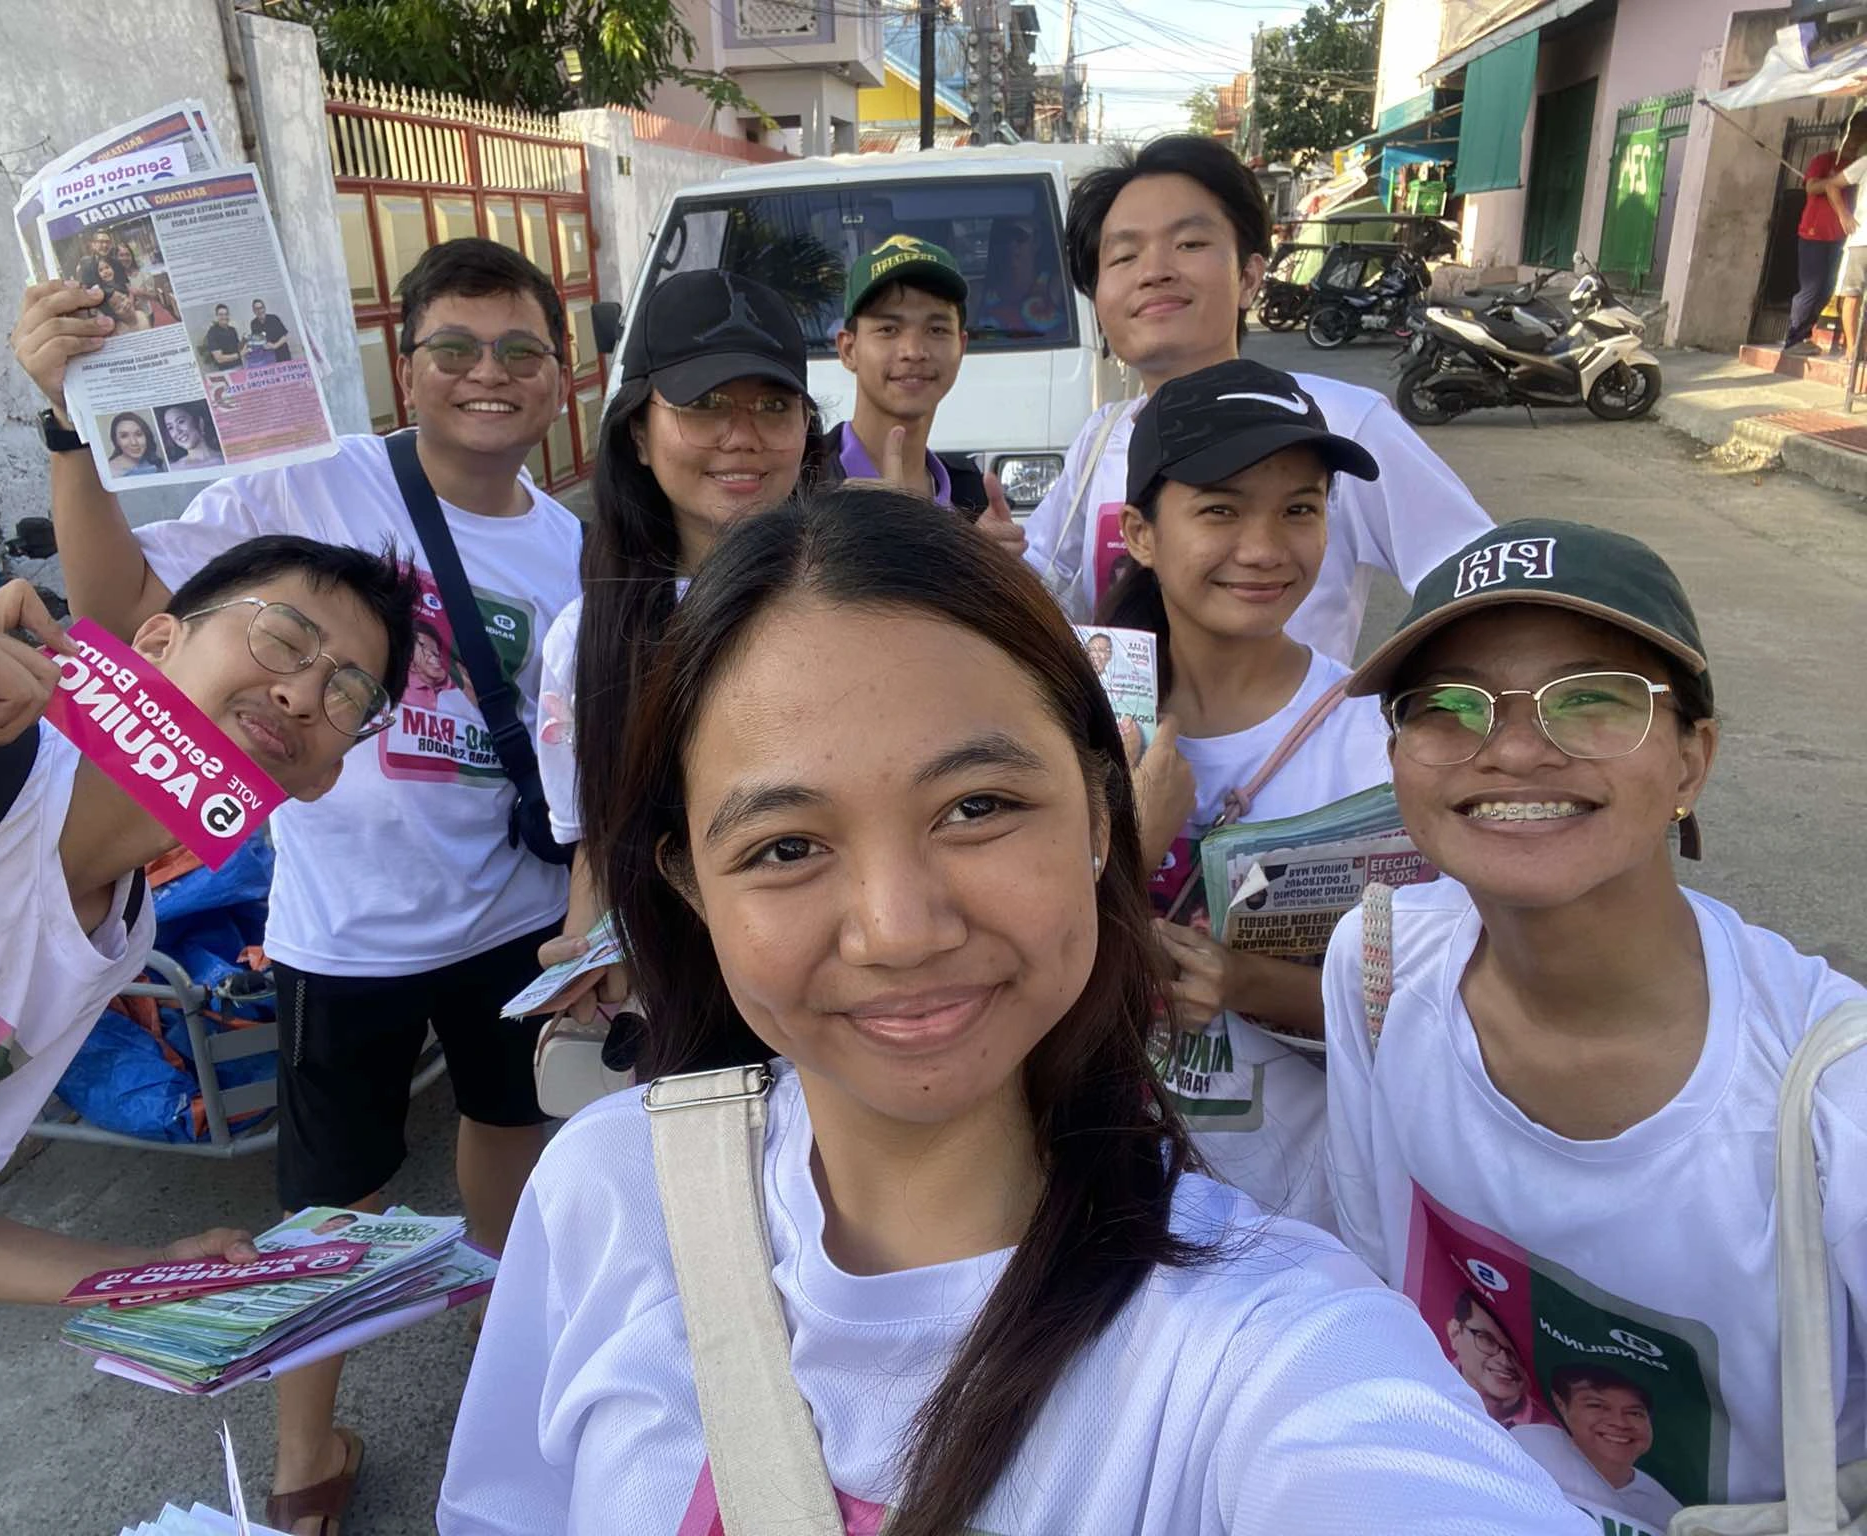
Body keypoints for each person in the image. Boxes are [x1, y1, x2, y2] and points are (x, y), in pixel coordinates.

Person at [437, 488, 1598, 1535]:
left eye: (977, 805)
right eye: (785, 846)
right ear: (690, 885)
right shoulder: (604, 1192)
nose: (898, 929)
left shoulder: (1260, 1346)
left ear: (1104, 818)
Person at [12, 236, 582, 1535]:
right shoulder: (310, 483)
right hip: (344, 932)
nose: (486, 374)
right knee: (332, 1204)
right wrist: (66, 422)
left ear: (560, 379)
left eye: (519, 351)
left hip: (514, 920)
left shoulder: (568, 547)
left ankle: (510, 1334)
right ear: (408, 362)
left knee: (511, 1129)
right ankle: (301, 1454)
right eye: (455, 346)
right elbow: (119, 609)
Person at [0, 539, 414, 1533]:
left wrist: (132, 1279)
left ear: (324, 778)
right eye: (283, 637)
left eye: (348, 692)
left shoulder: (114, 938)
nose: (306, 695)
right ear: (155, 640)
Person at [1322, 518, 1867, 1517]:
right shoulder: (1377, 965)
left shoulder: (1832, 1099)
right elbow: (1381, 1282)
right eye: (1446, 705)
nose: (1516, 749)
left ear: (1690, 762)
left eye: (1590, 700)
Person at [1099, 358, 1392, 1232]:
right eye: (1220, 509)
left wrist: (1244, 981)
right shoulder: (1070, 720)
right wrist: (1128, 849)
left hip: (1307, 1209)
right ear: (1141, 534)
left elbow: (1427, 1001)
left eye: (1300, 509)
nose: (1265, 549)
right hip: (1097, 1179)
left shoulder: (1380, 742)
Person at [1023, 134, 1492, 666]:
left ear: (1249, 277)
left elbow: (1475, 579)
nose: (1154, 271)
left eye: (1190, 244)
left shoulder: (1339, 424)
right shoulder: (1101, 438)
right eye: (1124, 255)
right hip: (1126, 749)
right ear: (1098, 297)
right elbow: (1042, 578)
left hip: (1296, 749)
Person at [532, 271, 822, 1023]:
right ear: (638, 430)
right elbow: (598, 846)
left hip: (835, 974)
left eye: (773, 405)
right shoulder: (587, 639)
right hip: (676, 1006)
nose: (742, 435)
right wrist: (585, 952)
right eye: (704, 405)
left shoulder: (864, 608)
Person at [823, 235, 987, 512]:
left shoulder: (970, 496)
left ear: (961, 347)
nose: (913, 351)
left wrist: (991, 556)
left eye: (936, 330)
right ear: (848, 350)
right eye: (888, 329)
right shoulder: (802, 486)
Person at [1513, 1367, 1683, 1536]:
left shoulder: (1667, 1511)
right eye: (1597, 1406)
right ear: (1561, 1406)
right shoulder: (1530, 1445)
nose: (1619, 1423)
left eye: (1634, 1413)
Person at [1786, 118, 1863, 355]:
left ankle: (1805, 333)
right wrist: (1832, 183)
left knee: (1828, 288)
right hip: (1814, 233)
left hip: (1842, 237)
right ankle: (1794, 339)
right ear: (1843, 136)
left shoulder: (1858, 164)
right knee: (1811, 287)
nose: (1855, 142)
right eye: (1852, 136)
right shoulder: (1824, 160)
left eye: (1861, 137)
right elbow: (1811, 187)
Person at [1444, 1290, 1533, 1427]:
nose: (1505, 1361)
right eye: (1488, 1340)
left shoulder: (1557, 1434)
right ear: (1455, 1333)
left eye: (1519, 1350)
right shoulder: (1416, 1386)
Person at [978, 217, 1066, 340]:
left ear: (1037, 241)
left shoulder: (1057, 287)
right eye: (1005, 237)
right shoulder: (979, 293)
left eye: (1019, 235)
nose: (1012, 244)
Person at [159, 403, 223, 470]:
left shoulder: (224, 459)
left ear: (200, 422)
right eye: (170, 427)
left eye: (181, 422)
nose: (177, 432)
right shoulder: (172, 468)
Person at [103, 412, 165, 478]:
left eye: (138, 434)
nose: (134, 442)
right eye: (124, 436)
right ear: (116, 441)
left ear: (146, 436)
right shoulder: (109, 471)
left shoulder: (154, 463)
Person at [202, 303, 243, 370]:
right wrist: (239, 355)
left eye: (226, 314)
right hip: (227, 370)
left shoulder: (232, 330)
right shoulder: (212, 332)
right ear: (216, 316)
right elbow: (219, 358)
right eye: (221, 315)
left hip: (240, 366)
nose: (224, 317)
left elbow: (238, 347)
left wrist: (245, 341)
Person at [251, 299, 293, 363]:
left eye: (261, 308)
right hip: (267, 358)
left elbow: (285, 336)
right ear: (253, 311)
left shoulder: (274, 318)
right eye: (256, 309)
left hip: (282, 354)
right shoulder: (253, 323)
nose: (259, 311)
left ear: (264, 308)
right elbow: (257, 340)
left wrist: (275, 346)